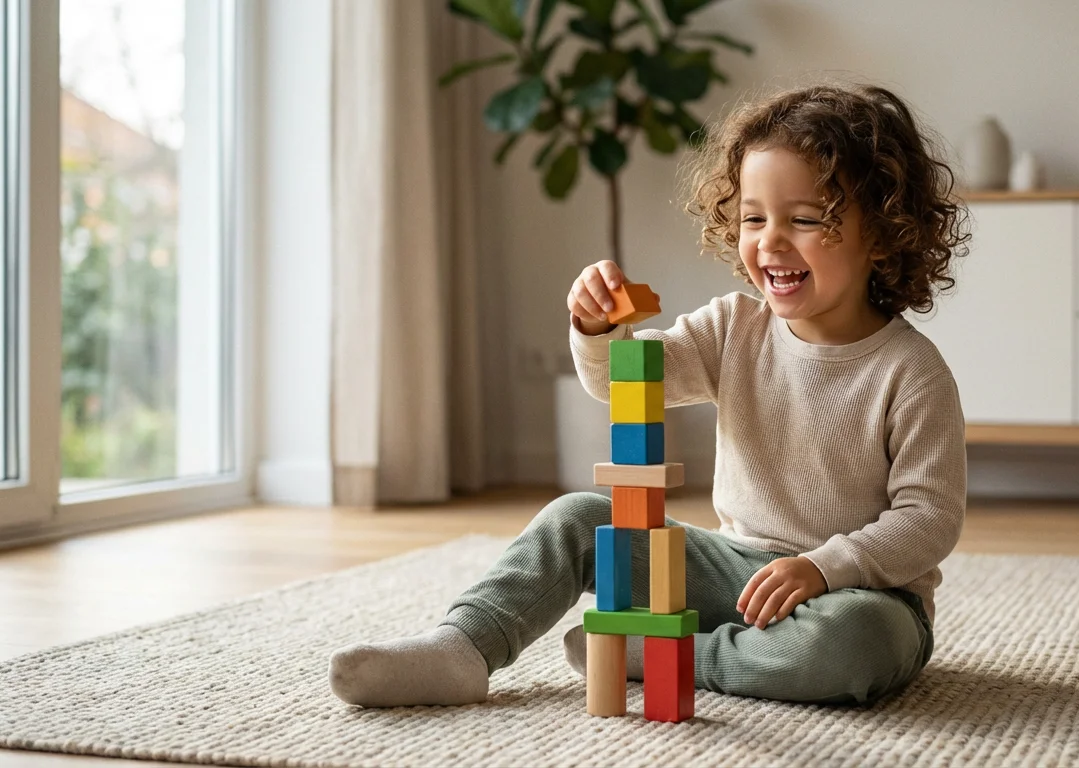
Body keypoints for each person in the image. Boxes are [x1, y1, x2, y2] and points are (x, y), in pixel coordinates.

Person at [328, 80, 970, 708]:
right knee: (578, 519)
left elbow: (930, 518)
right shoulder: (733, 328)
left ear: (884, 232)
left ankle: (665, 654)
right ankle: (461, 648)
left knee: (855, 644)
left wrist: (827, 567)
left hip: (859, 594)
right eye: (753, 218)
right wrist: (599, 326)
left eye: (805, 219)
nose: (770, 240)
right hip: (733, 571)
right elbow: (620, 382)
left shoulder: (911, 370)